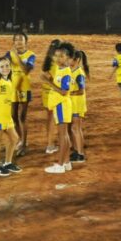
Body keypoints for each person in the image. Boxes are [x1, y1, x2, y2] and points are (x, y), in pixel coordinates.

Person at [44, 42, 75, 173]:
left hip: (62, 105)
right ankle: (67, 162)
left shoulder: (66, 72)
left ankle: (61, 164)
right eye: (56, 55)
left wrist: (48, 82)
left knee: (63, 136)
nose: (57, 58)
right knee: (64, 135)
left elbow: (64, 91)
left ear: (67, 58)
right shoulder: (60, 69)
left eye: (61, 56)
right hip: (60, 105)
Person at [7, 31, 36, 156]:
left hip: (24, 87)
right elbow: (1, 66)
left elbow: (26, 69)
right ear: (13, 42)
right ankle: (20, 139)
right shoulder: (9, 54)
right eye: (16, 39)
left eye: (21, 39)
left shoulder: (31, 55)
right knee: (13, 115)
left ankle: (24, 143)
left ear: (26, 41)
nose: (18, 42)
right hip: (13, 87)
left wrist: (16, 57)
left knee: (22, 116)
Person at [41, 39, 62, 154]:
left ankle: (49, 142)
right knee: (54, 120)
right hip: (53, 93)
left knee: (49, 119)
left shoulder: (47, 59)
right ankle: (50, 145)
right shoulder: (57, 62)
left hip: (45, 93)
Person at [70, 50, 89, 163]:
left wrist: (69, 94)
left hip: (77, 104)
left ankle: (80, 154)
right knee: (74, 128)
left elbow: (81, 90)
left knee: (76, 128)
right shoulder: (72, 71)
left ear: (77, 60)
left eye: (70, 58)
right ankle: (77, 151)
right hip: (73, 103)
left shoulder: (79, 73)